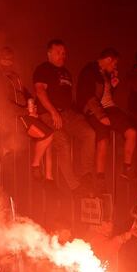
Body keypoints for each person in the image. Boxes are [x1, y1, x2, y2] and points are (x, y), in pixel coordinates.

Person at [33, 39, 96, 193]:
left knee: (89, 133)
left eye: (64, 53)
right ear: (49, 54)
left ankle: (85, 174)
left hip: (68, 113)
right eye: (58, 53)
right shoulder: (43, 69)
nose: (62, 56)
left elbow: (70, 97)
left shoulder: (66, 72)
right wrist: (53, 112)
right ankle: (74, 186)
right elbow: (40, 92)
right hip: (49, 114)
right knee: (63, 143)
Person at [0, 46, 53, 179]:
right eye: (5, 60)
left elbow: (24, 91)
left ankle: (2, 151)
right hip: (13, 116)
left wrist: (32, 103)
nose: (8, 62)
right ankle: (33, 166)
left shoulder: (15, 75)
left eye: (10, 60)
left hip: (22, 115)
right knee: (45, 135)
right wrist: (25, 111)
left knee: (38, 136)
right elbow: (2, 102)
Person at [77, 47, 137, 183]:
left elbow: (106, 95)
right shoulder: (89, 71)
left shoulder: (106, 74)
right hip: (95, 110)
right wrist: (101, 116)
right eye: (115, 64)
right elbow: (89, 96)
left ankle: (126, 169)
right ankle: (100, 177)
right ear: (109, 59)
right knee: (103, 140)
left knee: (132, 132)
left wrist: (113, 85)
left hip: (110, 108)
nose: (115, 67)